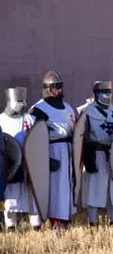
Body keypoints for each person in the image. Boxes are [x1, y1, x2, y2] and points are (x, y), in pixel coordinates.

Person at [28, 71, 76, 227]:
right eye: (56, 87)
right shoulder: (39, 109)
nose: (60, 90)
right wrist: (45, 159)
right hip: (52, 150)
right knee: (54, 188)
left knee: (66, 187)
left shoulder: (68, 108)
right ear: (48, 88)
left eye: (61, 86)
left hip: (67, 151)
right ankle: (54, 219)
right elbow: (34, 137)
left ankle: (64, 219)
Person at [75, 81, 113, 226]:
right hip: (95, 154)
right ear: (96, 94)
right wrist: (87, 157)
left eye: (109, 92)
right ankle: (92, 221)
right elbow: (80, 135)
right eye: (104, 92)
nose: (107, 95)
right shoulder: (87, 111)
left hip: (112, 155)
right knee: (94, 188)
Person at [1, 87, 41, 231]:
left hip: (30, 164)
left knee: (32, 193)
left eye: (24, 100)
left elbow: (38, 140)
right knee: (10, 196)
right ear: (10, 101)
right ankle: (10, 225)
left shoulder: (30, 119)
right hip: (10, 165)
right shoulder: (1, 120)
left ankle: (36, 224)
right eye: (19, 100)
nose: (22, 103)